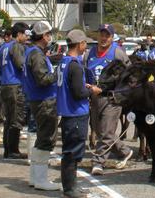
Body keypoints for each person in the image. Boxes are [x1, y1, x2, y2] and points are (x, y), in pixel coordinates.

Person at [87, 24, 133, 176]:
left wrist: (120, 92)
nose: (104, 38)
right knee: (100, 131)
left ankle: (98, 162)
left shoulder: (117, 53)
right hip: (94, 97)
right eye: (102, 34)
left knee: (106, 132)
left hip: (112, 99)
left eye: (107, 35)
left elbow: (130, 74)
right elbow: (85, 71)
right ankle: (125, 151)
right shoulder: (90, 53)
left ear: (112, 37)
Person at [23, 21, 60, 191]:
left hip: (37, 100)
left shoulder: (32, 52)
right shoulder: (36, 54)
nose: (50, 37)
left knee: (41, 138)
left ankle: (34, 177)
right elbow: (43, 79)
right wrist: (57, 73)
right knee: (46, 139)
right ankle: (41, 179)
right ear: (44, 36)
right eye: (49, 34)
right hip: (44, 101)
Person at [58, 29, 96, 198]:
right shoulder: (75, 65)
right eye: (85, 43)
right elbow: (78, 93)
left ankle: (71, 185)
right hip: (75, 113)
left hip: (67, 112)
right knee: (72, 153)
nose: (86, 46)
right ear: (80, 44)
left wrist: (83, 87)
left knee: (70, 152)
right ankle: (69, 189)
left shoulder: (63, 62)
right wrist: (92, 90)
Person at [0, 22, 31, 159]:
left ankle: (7, 150)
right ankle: (13, 150)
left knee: (8, 118)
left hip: (4, 84)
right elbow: (21, 64)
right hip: (14, 85)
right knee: (16, 118)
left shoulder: (4, 47)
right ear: (19, 34)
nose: (27, 37)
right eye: (25, 34)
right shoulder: (16, 46)